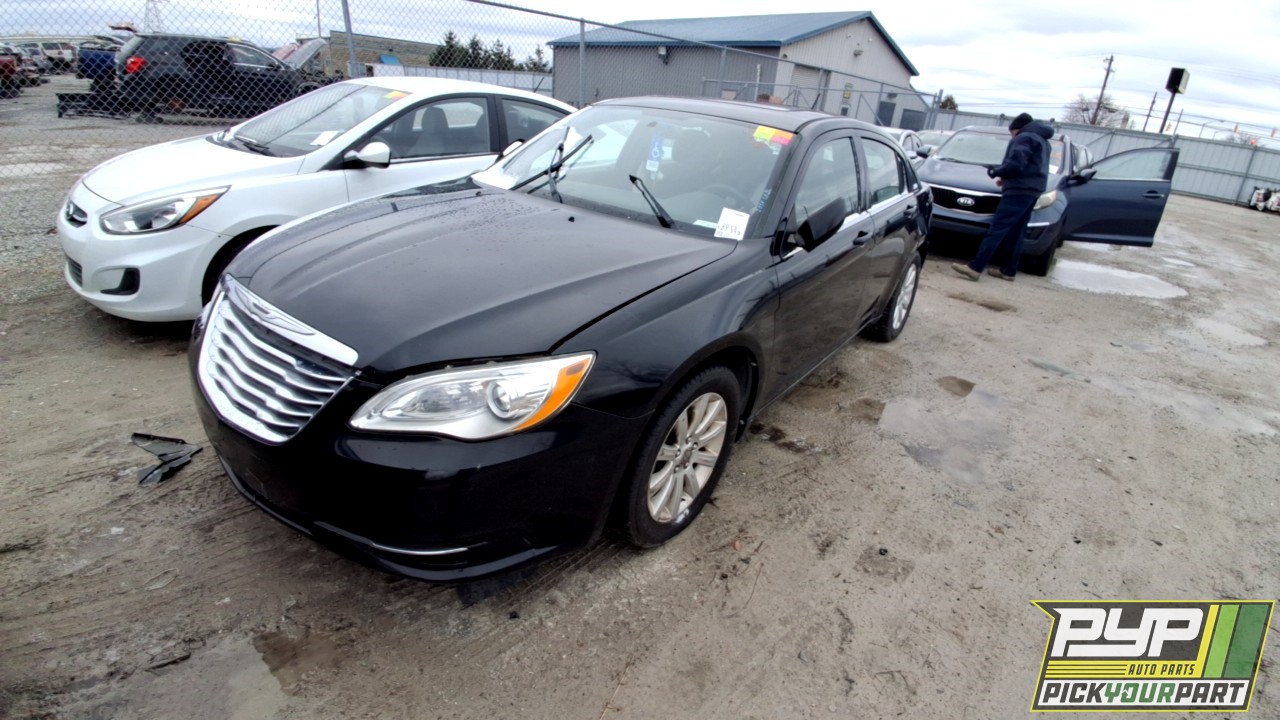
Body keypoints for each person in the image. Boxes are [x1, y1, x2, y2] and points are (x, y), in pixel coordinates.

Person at [951, 113, 1054, 281]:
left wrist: (997, 172)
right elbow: (1030, 167)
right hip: (1033, 190)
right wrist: (1007, 178)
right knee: (1017, 231)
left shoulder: (1024, 137)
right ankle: (1008, 270)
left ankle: (975, 267)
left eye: (1012, 133)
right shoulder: (1043, 140)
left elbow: (1016, 163)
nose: (1012, 137)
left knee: (997, 228)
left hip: (1018, 191)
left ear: (1016, 129)